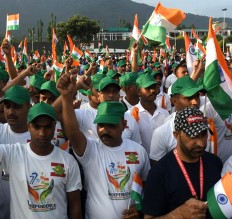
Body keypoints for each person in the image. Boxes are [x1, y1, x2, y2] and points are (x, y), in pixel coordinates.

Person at [0, 78, 82, 219]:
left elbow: (75, 208)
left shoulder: (67, 161)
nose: (42, 133)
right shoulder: (13, 152)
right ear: (29, 127)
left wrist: (67, 96)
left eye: (16, 106)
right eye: (7, 106)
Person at [56, 73, 150, 219]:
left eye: (111, 125)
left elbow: (147, 185)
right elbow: (73, 132)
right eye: (100, 125)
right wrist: (67, 98)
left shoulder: (139, 151)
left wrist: (140, 208)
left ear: (124, 125)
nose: (104, 130)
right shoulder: (90, 150)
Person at [143, 107, 222, 219]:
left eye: (203, 134)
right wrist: (178, 215)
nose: (200, 143)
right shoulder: (159, 173)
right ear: (176, 135)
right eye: (192, 135)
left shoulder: (214, 163)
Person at [149, 75, 204, 164]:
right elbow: (158, 170)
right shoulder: (162, 133)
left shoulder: (207, 128)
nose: (195, 102)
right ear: (174, 101)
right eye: (189, 98)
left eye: (197, 96)